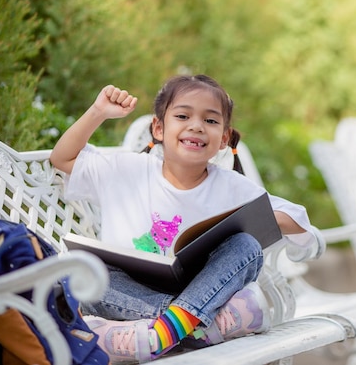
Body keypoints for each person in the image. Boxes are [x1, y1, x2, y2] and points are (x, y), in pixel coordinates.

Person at [49, 74, 316, 363]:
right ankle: (201, 329)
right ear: (159, 128)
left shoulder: (231, 186)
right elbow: (63, 159)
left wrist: (256, 219)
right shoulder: (127, 170)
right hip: (130, 295)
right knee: (77, 273)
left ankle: (156, 337)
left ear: (224, 138)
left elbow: (300, 223)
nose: (196, 126)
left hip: (205, 287)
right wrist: (98, 112)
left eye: (211, 121)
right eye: (183, 115)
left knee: (246, 246)